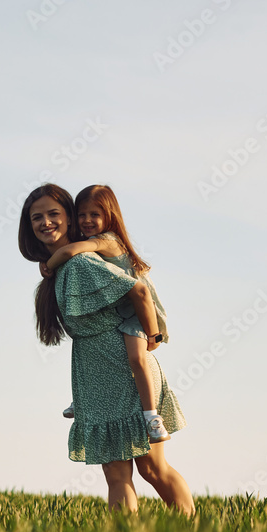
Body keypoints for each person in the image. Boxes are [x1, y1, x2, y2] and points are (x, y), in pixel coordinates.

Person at [18, 183, 194, 516]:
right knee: (116, 474)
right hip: (94, 374)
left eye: (53, 214)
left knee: (151, 469)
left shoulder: (82, 263)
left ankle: (191, 530)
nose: (45, 223)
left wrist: (153, 335)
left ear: (69, 219)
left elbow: (138, 291)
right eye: (36, 217)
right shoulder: (62, 269)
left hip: (125, 370)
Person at [39, 184, 171, 443]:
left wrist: (48, 267)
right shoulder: (95, 242)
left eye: (94, 215)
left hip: (136, 315)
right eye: (82, 215)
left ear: (109, 216)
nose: (87, 220)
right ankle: (82, 398)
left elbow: (68, 251)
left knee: (136, 359)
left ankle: (152, 417)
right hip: (122, 311)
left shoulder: (105, 241)